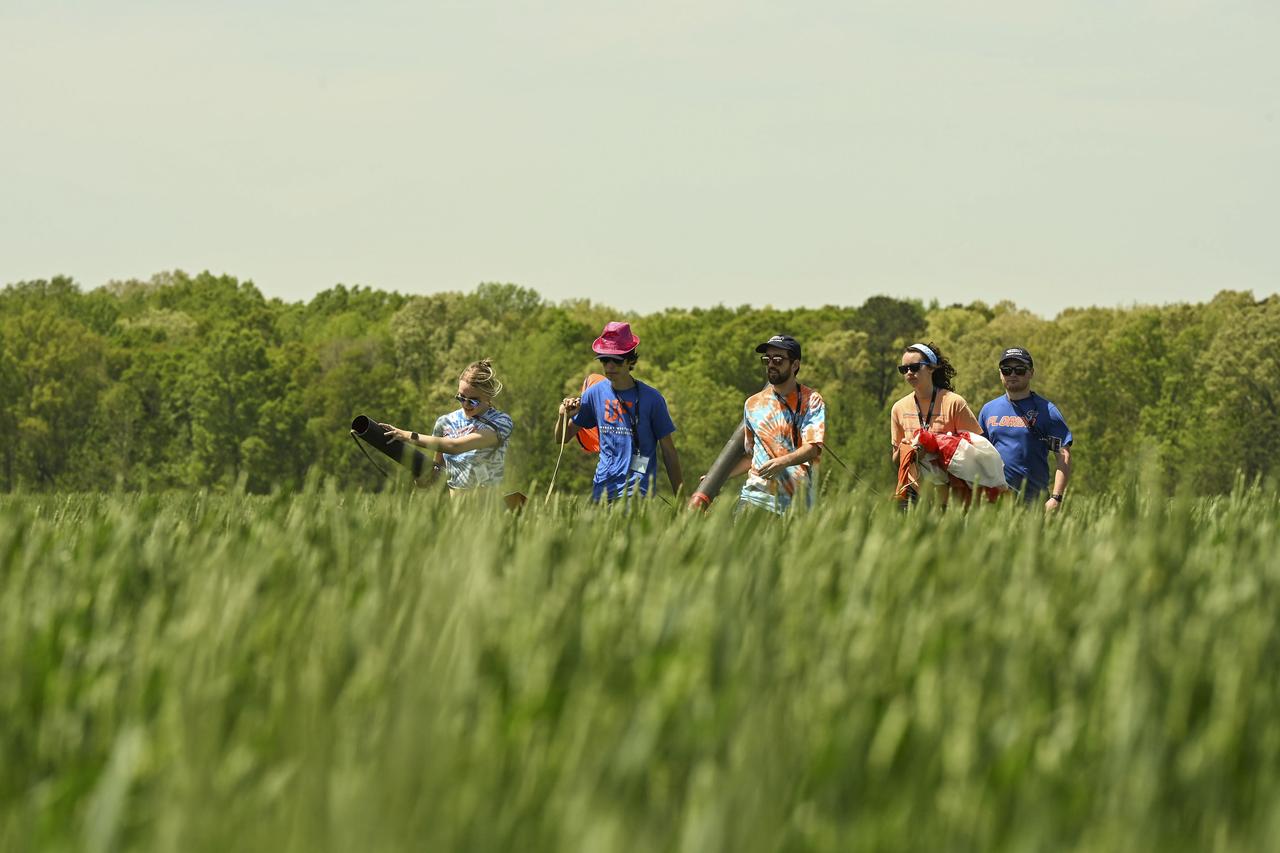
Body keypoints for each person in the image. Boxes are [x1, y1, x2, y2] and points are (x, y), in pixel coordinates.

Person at [555, 322, 683, 502]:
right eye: (605, 359)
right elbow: (562, 438)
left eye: (617, 360)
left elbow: (669, 452)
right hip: (602, 490)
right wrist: (563, 416)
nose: (610, 366)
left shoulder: (653, 399)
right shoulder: (594, 394)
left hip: (637, 493)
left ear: (630, 360)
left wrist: (681, 499)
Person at [380, 359, 514, 494]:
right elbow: (438, 471)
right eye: (461, 397)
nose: (465, 404)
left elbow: (455, 447)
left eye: (473, 401)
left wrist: (407, 435)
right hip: (455, 505)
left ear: (488, 396)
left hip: (489, 504)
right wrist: (424, 478)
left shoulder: (501, 422)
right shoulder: (445, 422)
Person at [728, 334, 826, 515]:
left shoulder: (811, 400)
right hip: (753, 500)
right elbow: (751, 456)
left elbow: (813, 448)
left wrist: (782, 462)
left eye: (778, 360)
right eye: (767, 360)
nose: (771, 364)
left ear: (795, 365)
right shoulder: (752, 404)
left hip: (795, 506)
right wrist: (717, 477)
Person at [978, 347, 1073, 513]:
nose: (1013, 374)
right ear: (1000, 374)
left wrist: (1056, 497)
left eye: (1020, 370)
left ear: (1031, 373)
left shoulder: (1047, 411)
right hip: (995, 503)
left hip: (1034, 503)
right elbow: (979, 454)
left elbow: (1063, 456)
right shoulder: (988, 410)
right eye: (1007, 370)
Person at [890, 341, 982, 504]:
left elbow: (978, 450)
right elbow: (896, 460)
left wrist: (936, 447)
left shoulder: (954, 403)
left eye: (915, 367)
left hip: (951, 495)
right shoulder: (899, 407)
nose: (909, 372)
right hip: (912, 491)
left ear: (931, 368)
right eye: (904, 369)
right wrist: (906, 450)